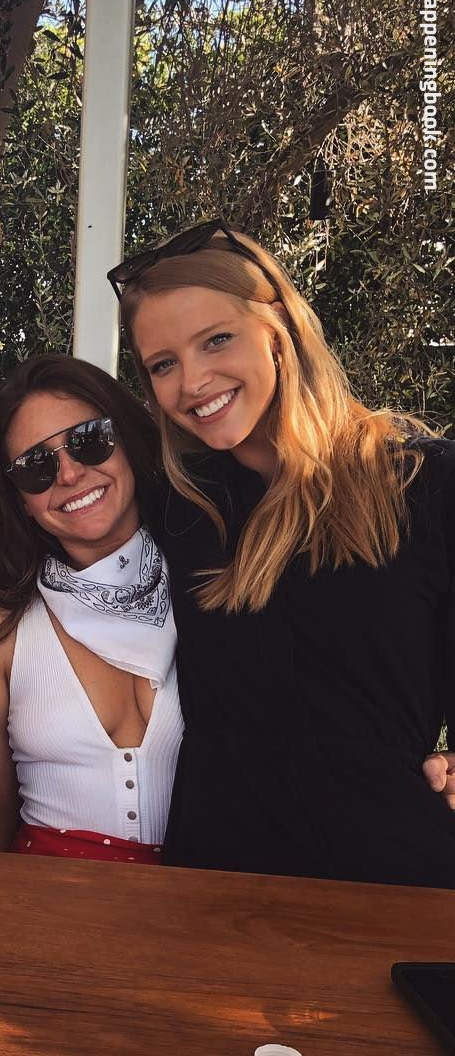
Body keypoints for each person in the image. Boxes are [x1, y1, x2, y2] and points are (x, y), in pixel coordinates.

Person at [111, 219, 455, 887]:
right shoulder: (179, 511)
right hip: (215, 896)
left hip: (396, 888)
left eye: (216, 340)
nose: (193, 381)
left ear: (278, 331)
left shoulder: (426, 484)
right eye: (163, 364)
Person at [0, 354, 183, 862]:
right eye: (36, 467)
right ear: (19, 500)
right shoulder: (3, 628)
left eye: (90, 440)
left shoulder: (211, 588)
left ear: (127, 440)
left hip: (200, 897)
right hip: (44, 898)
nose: (69, 473)